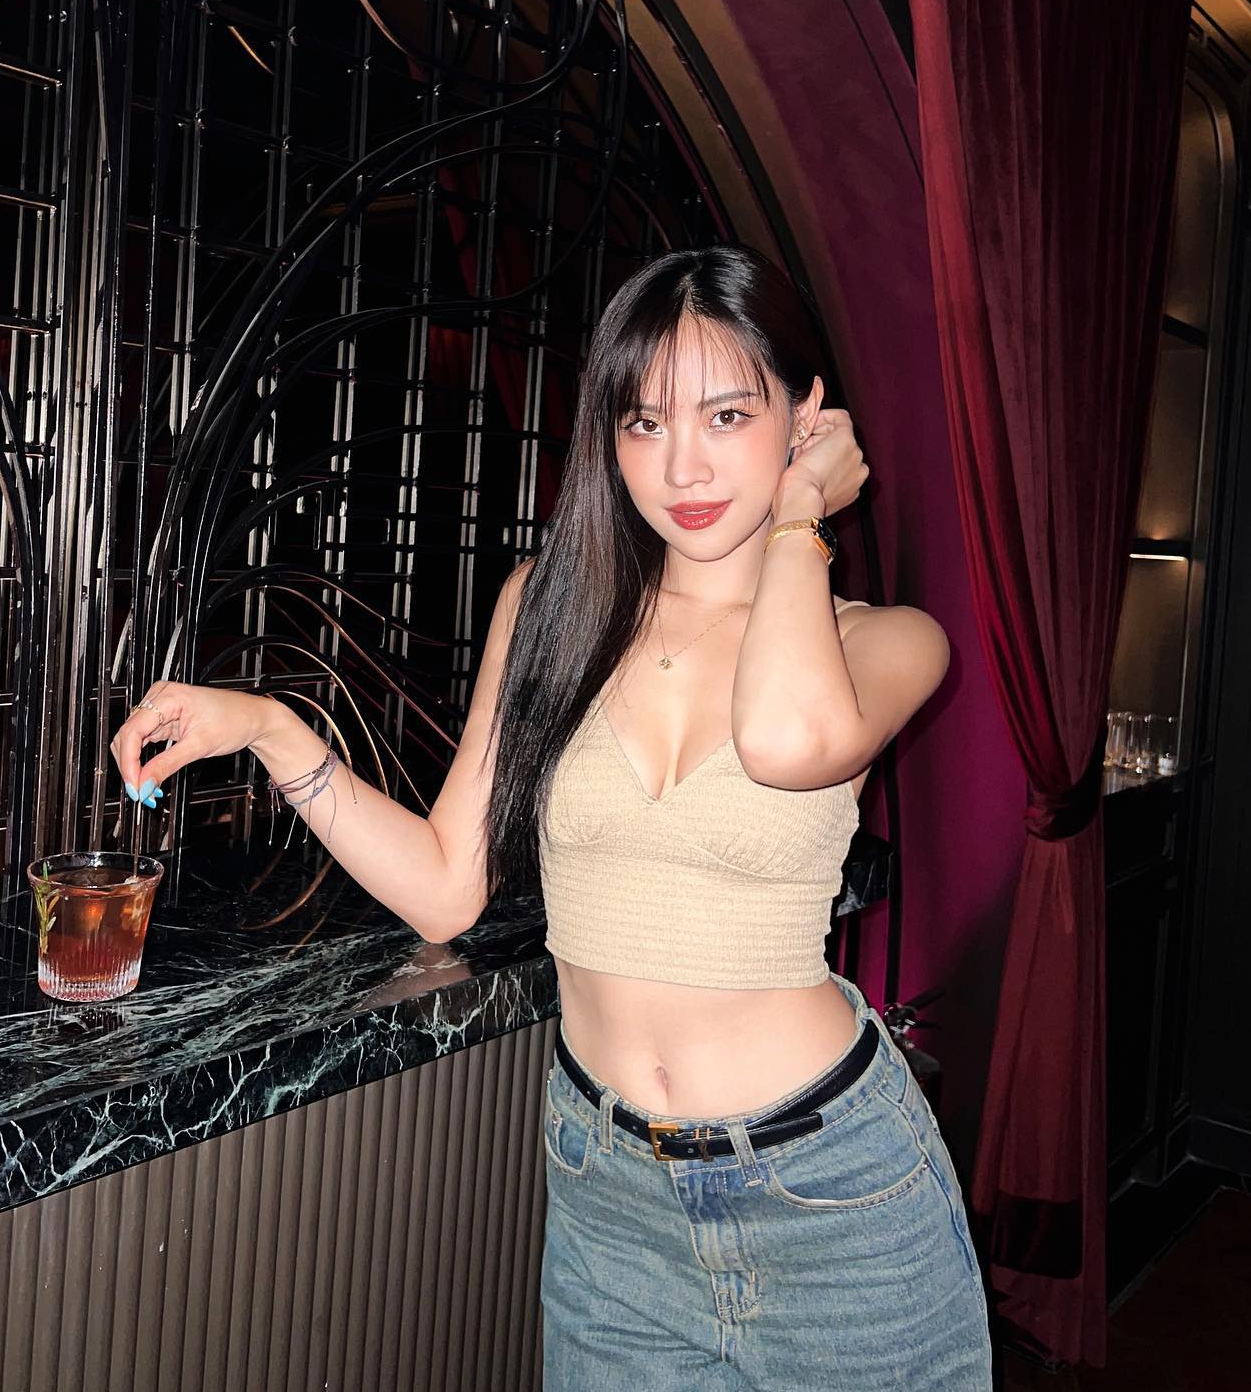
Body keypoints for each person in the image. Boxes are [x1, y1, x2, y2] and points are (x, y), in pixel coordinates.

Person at [111, 244, 992, 1388]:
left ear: (805, 413)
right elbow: (447, 884)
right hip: (608, 1198)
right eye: (644, 421)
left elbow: (784, 738)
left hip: (833, 1195)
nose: (683, 464)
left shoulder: (888, 641)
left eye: (729, 414)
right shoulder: (549, 608)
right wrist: (279, 731)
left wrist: (801, 510)